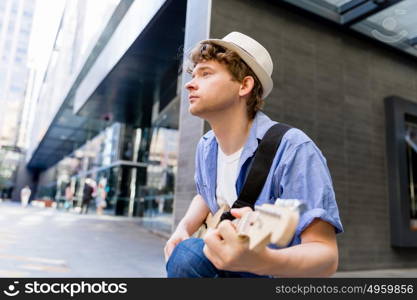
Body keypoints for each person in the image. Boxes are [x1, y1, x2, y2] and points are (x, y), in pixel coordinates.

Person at [164, 32, 343, 277]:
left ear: (244, 85)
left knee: (189, 256)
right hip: (224, 264)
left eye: (206, 74)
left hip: (273, 272)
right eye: (193, 75)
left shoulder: (293, 148)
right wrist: (183, 228)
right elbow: (205, 194)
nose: (190, 83)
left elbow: (326, 257)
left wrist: (262, 260)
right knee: (187, 252)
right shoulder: (206, 146)